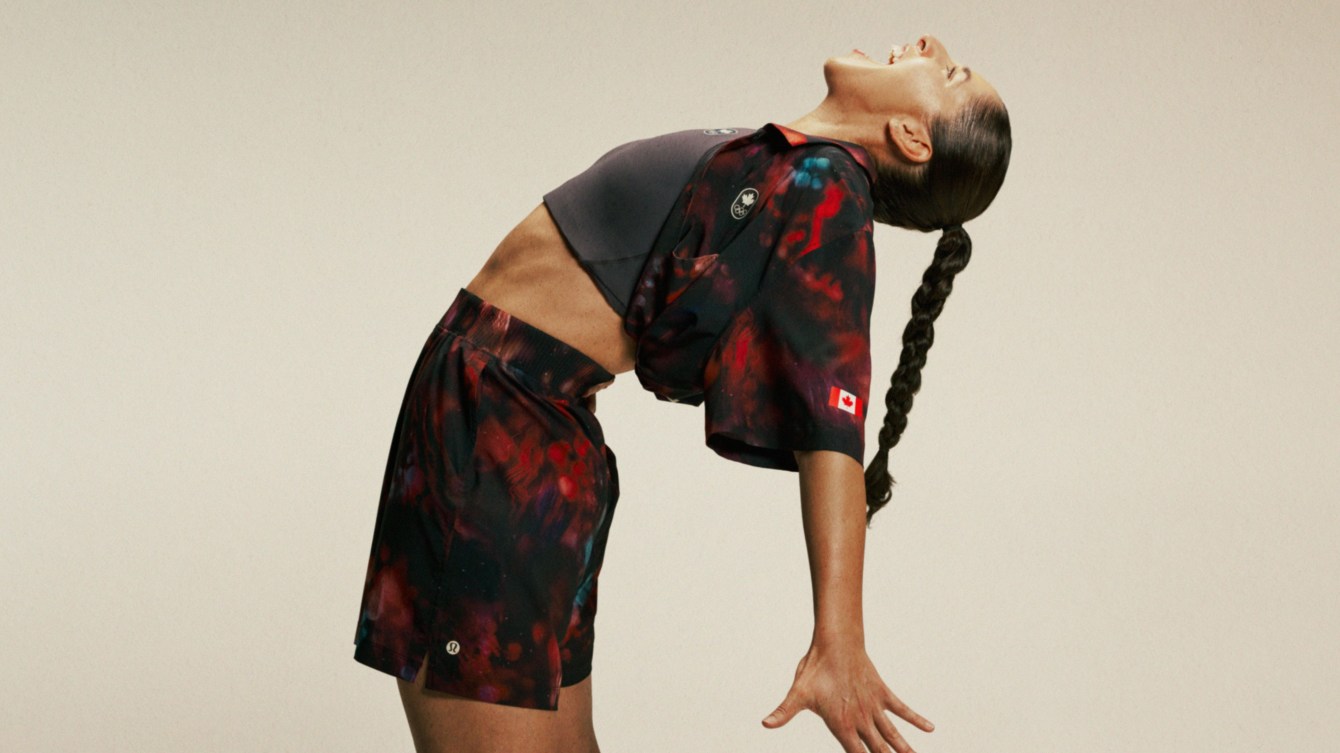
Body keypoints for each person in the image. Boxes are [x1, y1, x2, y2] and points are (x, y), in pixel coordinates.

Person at [353, 33, 1011, 753]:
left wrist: (840, 640)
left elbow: (831, 419)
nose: (930, 45)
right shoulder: (796, 167)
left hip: (497, 439)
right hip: (533, 443)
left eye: (950, 72)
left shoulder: (828, 189)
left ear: (911, 136)